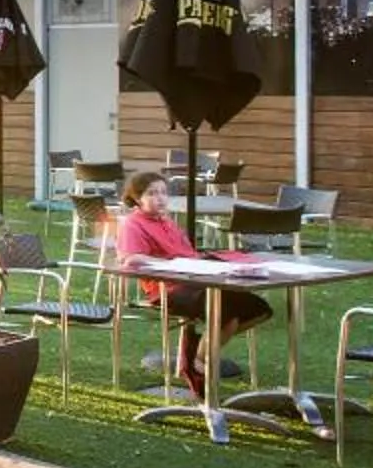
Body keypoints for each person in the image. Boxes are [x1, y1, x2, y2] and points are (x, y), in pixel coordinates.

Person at [115, 171, 270, 399]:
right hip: (167, 288)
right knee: (226, 314)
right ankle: (199, 363)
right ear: (137, 199)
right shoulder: (132, 224)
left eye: (163, 193)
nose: (160, 198)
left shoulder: (167, 221)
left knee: (258, 309)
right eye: (152, 193)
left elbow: (190, 253)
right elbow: (131, 258)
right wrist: (172, 263)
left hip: (196, 278)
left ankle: (198, 355)